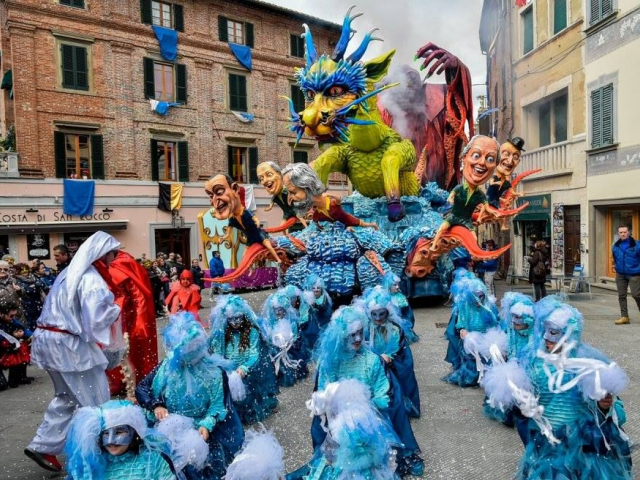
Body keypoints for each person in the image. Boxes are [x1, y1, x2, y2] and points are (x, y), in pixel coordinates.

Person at [25, 231, 122, 473]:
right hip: (69, 347)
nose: (114, 258)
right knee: (97, 400)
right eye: (113, 253)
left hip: (51, 341)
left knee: (66, 398)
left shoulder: (69, 273)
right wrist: (117, 308)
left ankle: (44, 445)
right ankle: (104, 453)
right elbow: (95, 321)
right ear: (102, 253)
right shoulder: (91, 279)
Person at [312, 306, 424, 477]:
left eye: (360, 332)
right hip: (338, 417)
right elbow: (324, 392)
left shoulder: (371, 360)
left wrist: (375, 403)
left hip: (371, 416)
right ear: (340, 335)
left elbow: (381, 387)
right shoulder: (330, 363)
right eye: (351, 334)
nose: (358, 339)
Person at [135, 312, 245, 479]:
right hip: (168, 423)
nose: (187, 364)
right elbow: (142, 388)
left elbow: (219, 405)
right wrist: (156, 404)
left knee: (199, 464)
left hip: (203, 426)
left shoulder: (214, 372)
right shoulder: (167, 366)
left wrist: (207, 425)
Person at [289, 379, 400, 480]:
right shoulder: (368, 421)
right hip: (369, 469)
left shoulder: (337, 426)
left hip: (345, 469)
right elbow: (381, 447)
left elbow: (329, 454)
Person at [208, 295, 279, 424]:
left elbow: (254, 354)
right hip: (229, 370)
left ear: (243, 316)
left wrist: (244, 367)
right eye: (231, 319)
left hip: (248, 368)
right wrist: (225, 369)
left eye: (238, 318)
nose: (235, 322)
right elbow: (218, 354)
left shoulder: (252, 332)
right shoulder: (222, 333)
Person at [64, 400, 176, 480]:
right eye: (106, 433)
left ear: (134, 433)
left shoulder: (152, 460)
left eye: (119, 432)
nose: (111, 441)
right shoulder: (94, 463)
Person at [361, 286, 420, 418]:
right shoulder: (366, 328)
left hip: (392, 362)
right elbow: (362, 345)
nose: (378, 318)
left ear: (387, 312)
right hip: (372, 363)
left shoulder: (394, 328)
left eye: (381, 314)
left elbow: (396, 346)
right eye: (374, 314)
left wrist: (388, 356)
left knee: (394, 387)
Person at [106, 251, 159, 397]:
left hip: (124, 319)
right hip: (124, 318)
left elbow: (137, 296)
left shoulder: (120, 266)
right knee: (125, 353)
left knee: (125, 354)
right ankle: (129, 387)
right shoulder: (125, 264)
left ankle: (131, 391)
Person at [205, 174, 280, 263]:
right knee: (245, 257)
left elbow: (255, 218)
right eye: (210, 196)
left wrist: (258, 223)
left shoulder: (245, 212)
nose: (214, 201)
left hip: (259, 235)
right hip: (250, 238)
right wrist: (223, 238)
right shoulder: (232, 219)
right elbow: (228, 233)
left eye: (220, 192)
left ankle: (278, 259)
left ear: (235, 189)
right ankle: (250, 271)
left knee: (269, 247)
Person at [443, 269, 500, 387]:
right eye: (475, 298)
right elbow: (461, 321)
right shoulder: (466, 306)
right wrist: (463, 330)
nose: (478, 302)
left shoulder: (490, 307)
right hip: (471, 337)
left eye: (480, 297)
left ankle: (487, 377)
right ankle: (472, 377)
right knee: (470, 358)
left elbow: (496, 322)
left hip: (486, 337)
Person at [281, 162, 378, 229]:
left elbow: (338, 202)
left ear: (307, 187)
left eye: (293, 192)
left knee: (359, 223)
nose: (289, 199)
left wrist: (332, 196)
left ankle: (372, 225)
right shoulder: (318, 213)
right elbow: (315, 222)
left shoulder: (330, 203)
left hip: (345, 219)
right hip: (338, 227)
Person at [259, 292, 309, 387]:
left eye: (280, 310)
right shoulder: (272, 322)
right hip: (276, 350)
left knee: (290, 362)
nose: (277, 312)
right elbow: (270, 336)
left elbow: (295, 337)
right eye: (275, 310)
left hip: (289, 349)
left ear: (285, 309)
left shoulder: (292, 322)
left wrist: (287, 344)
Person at [0, 300, 32, 389]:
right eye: (11, 316)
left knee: (23, 347)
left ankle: (20, 376)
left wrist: (30, 336)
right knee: (2, 386)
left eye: (14, 315)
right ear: (1, 313)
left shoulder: (11, 321)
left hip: (6, 347)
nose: (13, 318)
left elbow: (24, 329)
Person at [612, 225, 640, 325]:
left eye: (625, 232)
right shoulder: (615, 246)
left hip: (634, 273)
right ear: (618, 234)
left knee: (636, 294)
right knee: (621, 295)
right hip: (620, 274)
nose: (623, 234)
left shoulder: (637, 245)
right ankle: (624, 317)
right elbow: (615, 258)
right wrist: (616, 267)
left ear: (628, 232)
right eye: (621, 232)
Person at [13, 262, 46, 331]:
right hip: (26, 307)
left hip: (38, 306)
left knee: (40, 326)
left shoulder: (33, 277)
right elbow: (26, 290)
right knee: (29, 327)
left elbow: (42, 285)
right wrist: (33, 287)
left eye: (26, 269)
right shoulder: (16, 280)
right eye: (22, 270)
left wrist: (33, 287)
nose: (25, 272)